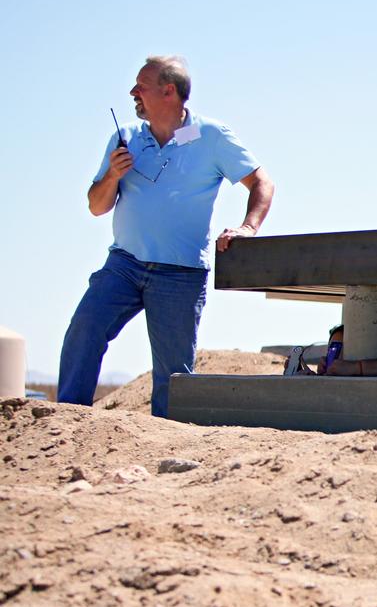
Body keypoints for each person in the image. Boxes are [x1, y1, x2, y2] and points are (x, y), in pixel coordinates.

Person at [57, 56, 274, 417]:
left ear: (168, 91)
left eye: (141, 86)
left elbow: (262, 182)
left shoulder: (211, 136)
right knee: (84, 328)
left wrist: (248, 228)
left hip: (181, 273)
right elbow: (96, 206)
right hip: (123, 264)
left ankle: (166, 443)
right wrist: (111, 175)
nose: (133, 93)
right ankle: (67, 418)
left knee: (173, 376)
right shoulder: (125, 137)